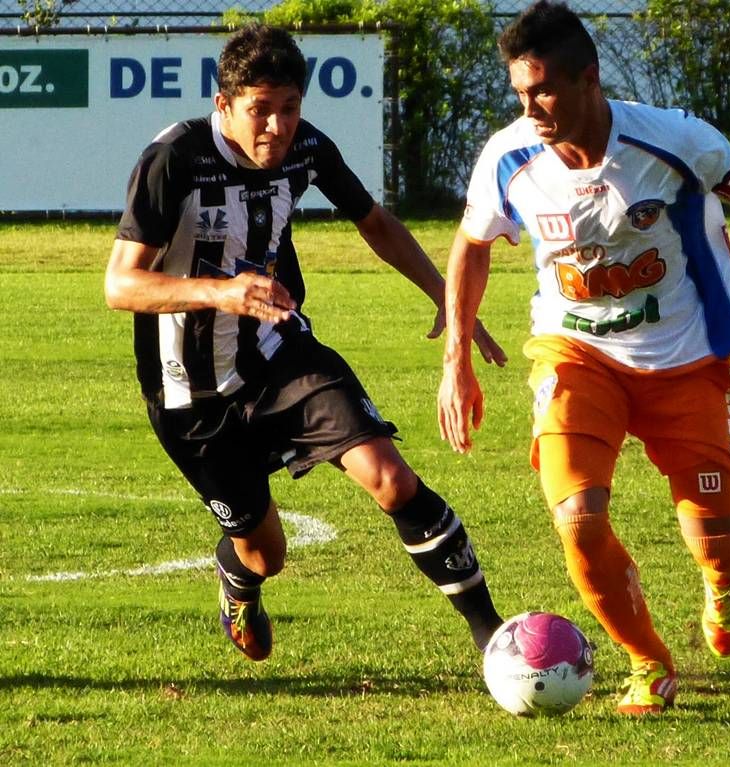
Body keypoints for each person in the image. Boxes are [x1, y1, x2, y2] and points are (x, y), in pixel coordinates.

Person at [437, 1, 730, 716]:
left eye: (544, 88)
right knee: (577, 515)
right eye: (520, 92)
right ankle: (649, 661)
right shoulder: (510, 155)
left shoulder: (672, 140)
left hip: (686, 357)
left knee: (715, 535)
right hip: (575, 354)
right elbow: (472, 244)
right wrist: (456, 353)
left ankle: (723, 579)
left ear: (590, 80)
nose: (531, 107)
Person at [104, 24, 507, 664]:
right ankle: (239, 580)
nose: (276, 126)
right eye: (259, 110)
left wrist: (445, 296)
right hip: (190, 391)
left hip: (280, 353)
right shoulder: (173, 159)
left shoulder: (306, 149)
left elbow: (373, 220)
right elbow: (120, 285)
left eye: (288, 108)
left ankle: (495, 639)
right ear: (224, 106)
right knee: (267, 552)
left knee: (391, 478)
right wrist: (221, 293)